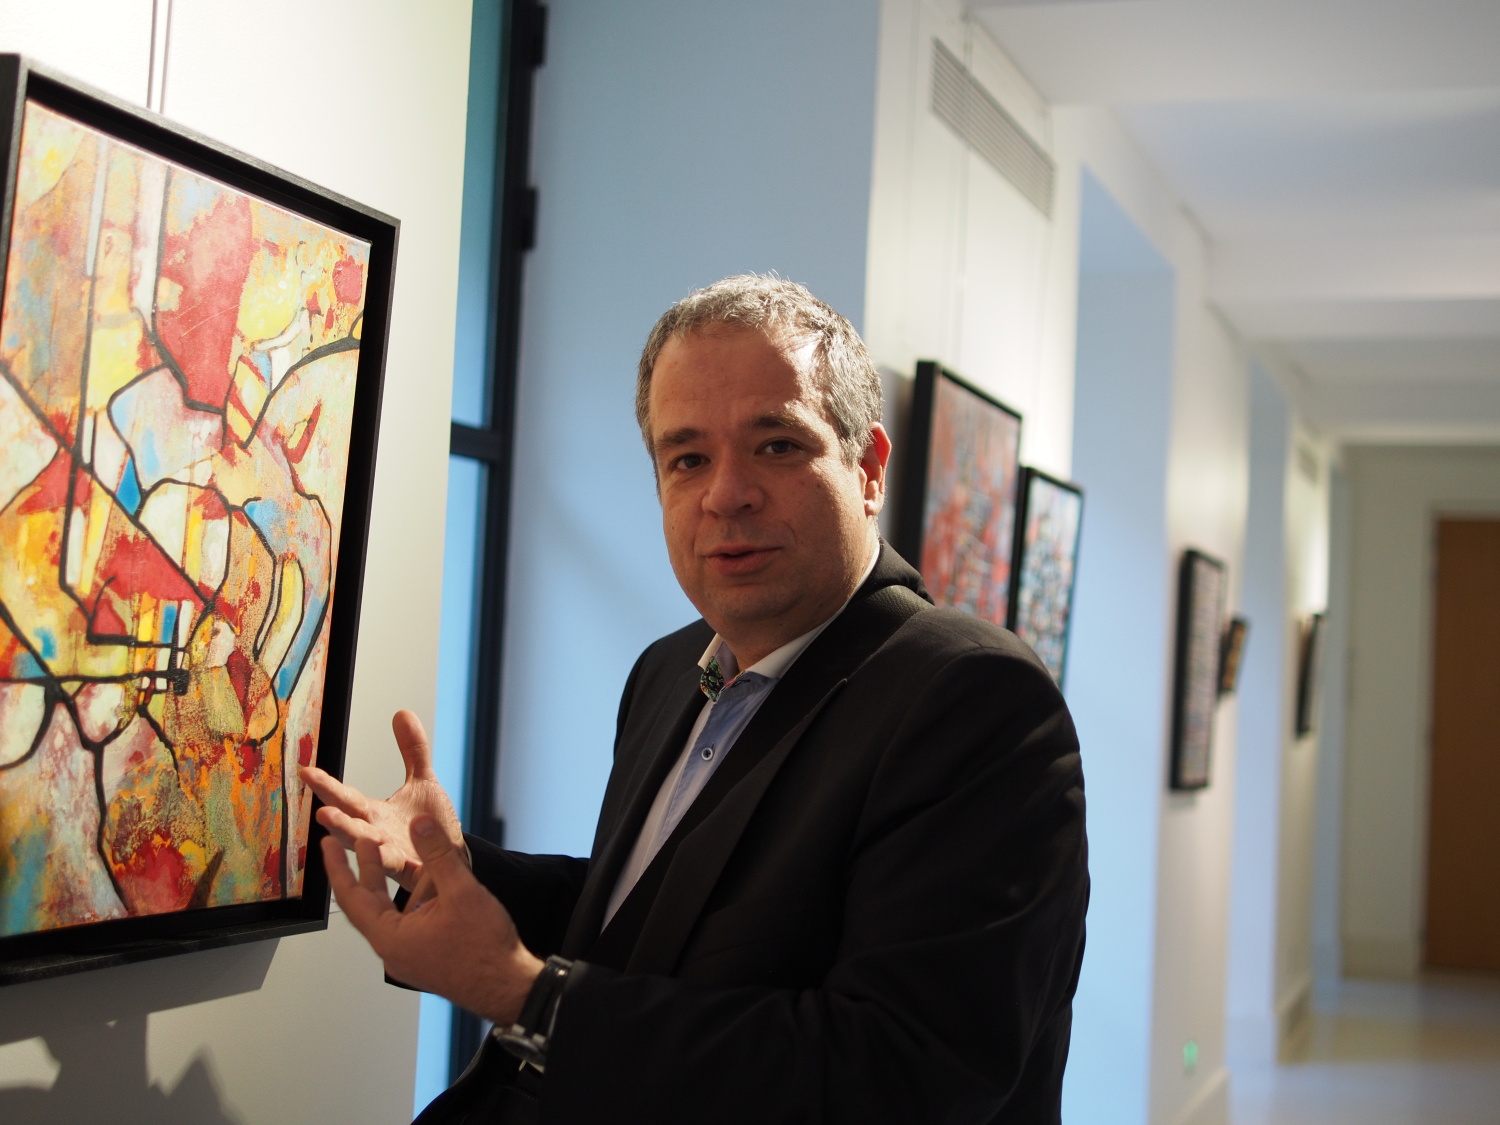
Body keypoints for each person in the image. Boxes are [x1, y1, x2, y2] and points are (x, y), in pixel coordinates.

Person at [303, 274, 1088, 1123]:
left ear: (867, 468)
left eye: (776, 445)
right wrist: (454, 866)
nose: (726, 493)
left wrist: (530, 994)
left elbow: (898, 1074)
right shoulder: (672, 669)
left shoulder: (975, 698)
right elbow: (654, 924)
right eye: (687, 458)